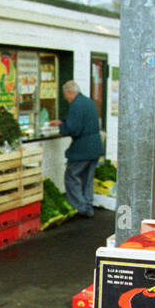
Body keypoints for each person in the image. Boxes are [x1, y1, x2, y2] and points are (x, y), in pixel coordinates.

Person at [49, 80, 104, 219]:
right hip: (95, 147)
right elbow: (82, 121)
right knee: (87, 178)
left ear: (69, 92)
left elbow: (74, 129)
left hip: (82, 150)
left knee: (71, 176)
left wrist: (61, 127)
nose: (65, 98)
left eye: (65, 95)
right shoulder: (88, 101)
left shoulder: (76, 105)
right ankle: (88, 206)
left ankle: (79, 207)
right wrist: (63, 121)